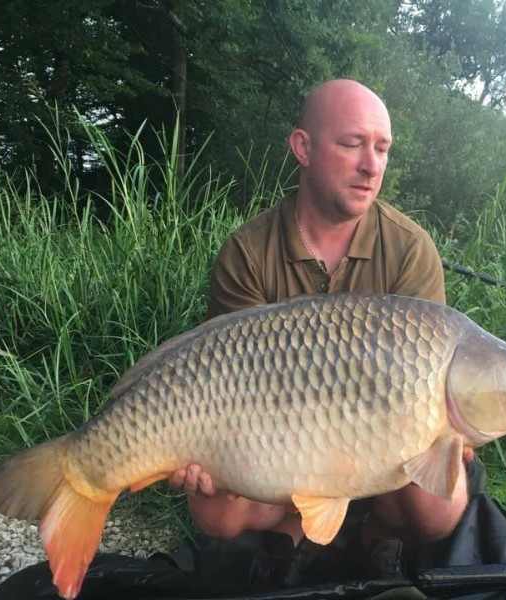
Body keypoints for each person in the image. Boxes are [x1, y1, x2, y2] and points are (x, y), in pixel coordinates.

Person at [167, 79, 476, 582]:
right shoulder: (248, 251)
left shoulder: (409, 249)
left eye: (382, 149)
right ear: (303, 148)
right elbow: (229, 386)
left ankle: (377, 534)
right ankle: (296, 534)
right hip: (278, 437)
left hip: (383, 444)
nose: (371, 165)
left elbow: (429, 377)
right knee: (216, 512)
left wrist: (449, 428)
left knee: (437, 508)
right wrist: (199, 450)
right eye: (352, 144)